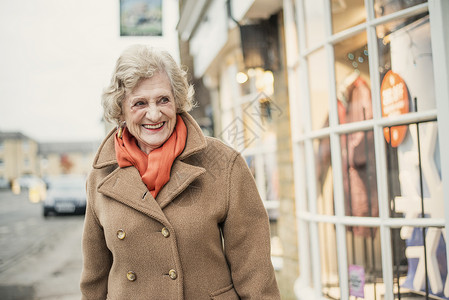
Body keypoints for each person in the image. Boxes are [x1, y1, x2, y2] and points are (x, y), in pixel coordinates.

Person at [80, 44, 280, 300]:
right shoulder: (100, 177)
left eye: (163, 99)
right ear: (120, 109)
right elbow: (93, 279)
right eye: (139, 103)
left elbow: (255, 272)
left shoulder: (223, 163)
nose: (154, 114)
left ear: (177, 101)